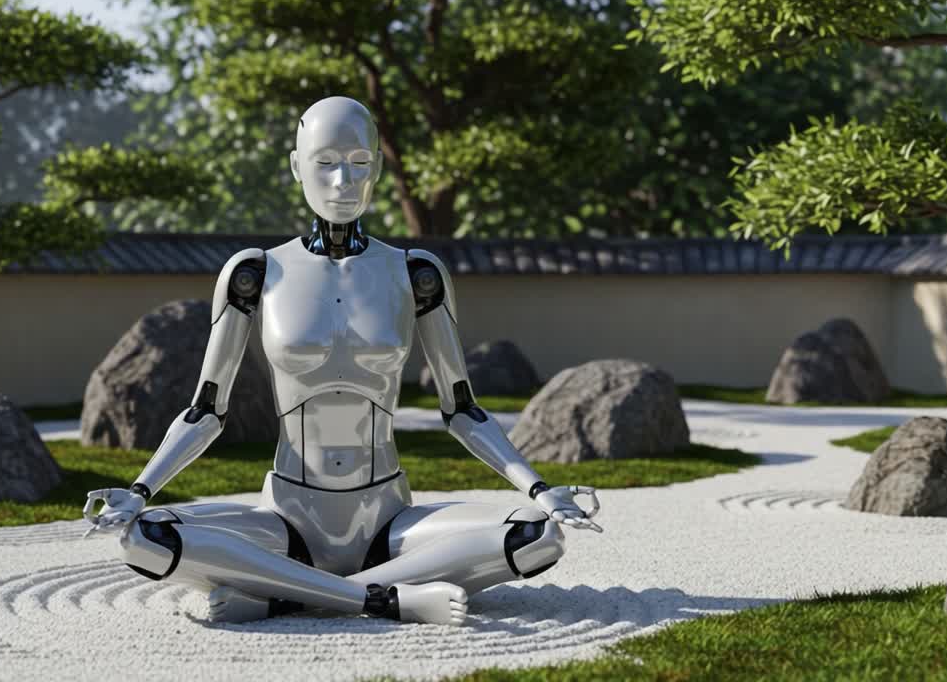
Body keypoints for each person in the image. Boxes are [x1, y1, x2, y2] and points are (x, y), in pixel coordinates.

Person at [83, 96, 601, 626]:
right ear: (295, 166)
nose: (342, 182)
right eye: (326, 163)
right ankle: (376, 598)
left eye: (359, 164)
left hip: (390, 521)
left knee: (538, 535)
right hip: (284, 521)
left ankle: (281, 593)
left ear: (376, 165)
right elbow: (205, 411)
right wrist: (138, 491)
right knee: (144, 537)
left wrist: (539, 489)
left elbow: (462, 409)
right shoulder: (254, 273)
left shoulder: (416, 272)